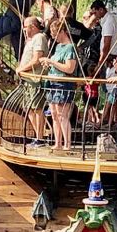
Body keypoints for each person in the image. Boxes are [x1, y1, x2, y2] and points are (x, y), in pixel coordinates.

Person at [39, 18, 79, 151]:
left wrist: (52, 62)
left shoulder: (70, 48)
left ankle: (67, 144)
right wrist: (48, 64)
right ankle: (58, 142)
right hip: (52, 82)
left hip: (63, 84)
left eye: (55, 34)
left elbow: (69, 68)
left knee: (62, 115)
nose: (54, 37)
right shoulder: (57, 46)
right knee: (55, 115)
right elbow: (56, 65)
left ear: (62, 32)